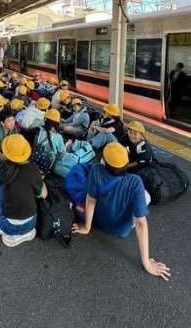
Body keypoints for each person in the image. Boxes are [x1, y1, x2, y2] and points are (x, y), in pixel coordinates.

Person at [72, 142, 171, 280]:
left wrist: (87, 227)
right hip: (120, 229)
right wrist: (147, 263)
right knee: (146, 197)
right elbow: (141, 223)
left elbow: (91, 200)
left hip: (99, 220)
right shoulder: (135, 181)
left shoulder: (96, 170)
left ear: (105, 162)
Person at [0, 134, 47, 247]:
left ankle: (10, 232)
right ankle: (25, 233)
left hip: (8, 226)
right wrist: (40, 181)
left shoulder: (0, 167)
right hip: (31, 223)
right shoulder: (33, 169)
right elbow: (44, 195)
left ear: (6, 153)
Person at [32, 109, 68, 174]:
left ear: (46, 120)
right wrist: (67, 145)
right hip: (46, 164)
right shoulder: (58, 137)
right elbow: (62, 153)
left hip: (35, 158)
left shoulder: (39, 130)